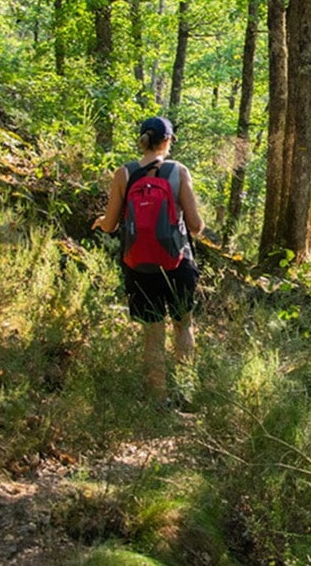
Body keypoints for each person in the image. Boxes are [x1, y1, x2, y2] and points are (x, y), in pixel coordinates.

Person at [92, 116, 205, 406]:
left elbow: (111, 224)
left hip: (139, 267)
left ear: (143, 140)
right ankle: (185, 393)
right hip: (177, 264)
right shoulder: (178, 171)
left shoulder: (124, 173)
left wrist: (100, 222)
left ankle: (157, 400)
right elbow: (194, 225)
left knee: (153, 334)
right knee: (183, 326)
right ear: (167, 141)